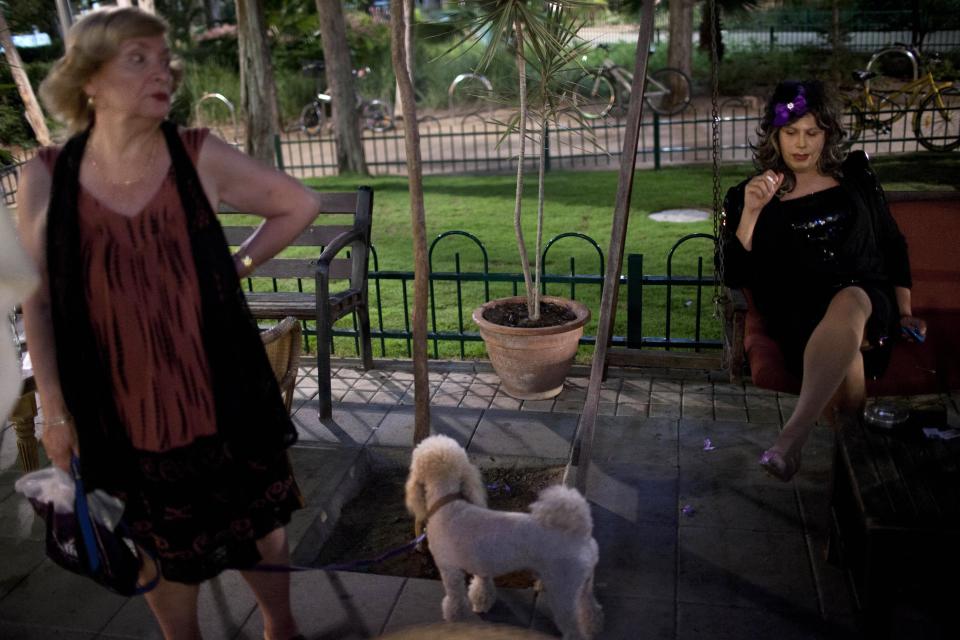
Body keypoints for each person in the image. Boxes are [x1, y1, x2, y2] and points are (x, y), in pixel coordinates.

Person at [18, 7, 319, 639]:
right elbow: (37, 300)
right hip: (116, 406)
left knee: (261, 532)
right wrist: (52, 409)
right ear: (88, 78)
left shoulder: (197, 156)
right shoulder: (45, 176)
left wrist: (233, 265)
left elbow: (299, 205)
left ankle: (280, 630)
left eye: (165, 61)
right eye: (138, 59)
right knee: (156, 542)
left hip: (220, 392)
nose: (163, 72)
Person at [720, 80, 926, 482]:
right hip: (801, 318)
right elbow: (735, 275)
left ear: (827, 134)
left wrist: (904, 312)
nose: (801, 143)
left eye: (812, 132)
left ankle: (791, 438)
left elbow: (891, 243)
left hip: (866, 300)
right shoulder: (752, 193)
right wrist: (750, 213)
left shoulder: (855, 178)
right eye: (791, 132)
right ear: (774, 136)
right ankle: (855, 479)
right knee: (845, 354)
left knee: (849, 298)